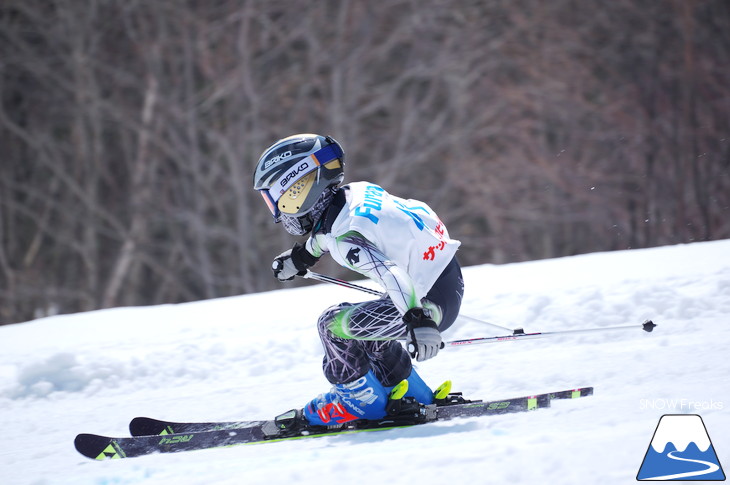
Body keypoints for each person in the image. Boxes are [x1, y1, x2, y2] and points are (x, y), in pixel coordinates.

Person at [252, 133, 464, 428]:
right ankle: (412, 394)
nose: (277, 213)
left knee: (332, 325)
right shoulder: (353, 194)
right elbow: (328, 235)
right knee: (368, 334)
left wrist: (419, 321)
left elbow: (390, 273)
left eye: (277, 200)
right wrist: (301, 258)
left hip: (424, 306)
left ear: (300, 189)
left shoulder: (345, 238)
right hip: (443, 281)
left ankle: (356, 401)